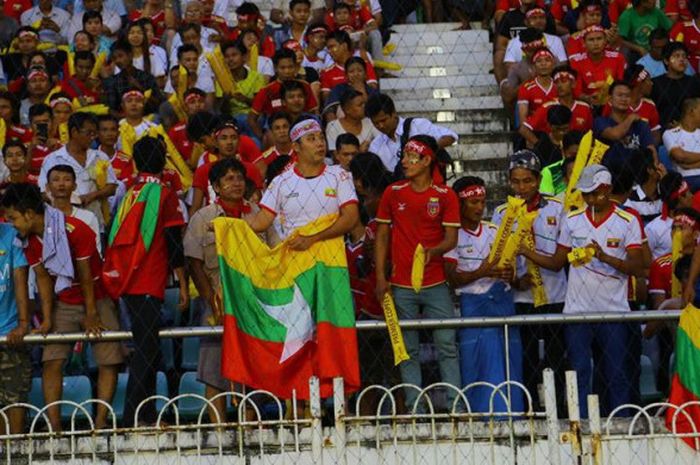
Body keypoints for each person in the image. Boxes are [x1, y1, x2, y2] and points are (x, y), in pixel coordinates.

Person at [519, 164, 644, 417]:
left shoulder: (627, 221)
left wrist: (604, 257)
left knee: (616, 373)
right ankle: (582, 425)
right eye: (585, 194)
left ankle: (620, 425)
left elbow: (639, 266)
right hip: (576, 312)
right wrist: (526, 250)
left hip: (614, 312)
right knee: (578, 374)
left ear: (607, 190)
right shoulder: (573, 219)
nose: (589, 199)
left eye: (594, 193)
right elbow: (557, 262)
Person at [3, 183, 122, 431]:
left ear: (29, 213)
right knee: (52, 360)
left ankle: (100, 423)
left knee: (108, 359)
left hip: (96, 297)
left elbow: (86, 275)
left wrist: (91, 314)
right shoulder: (29, 240)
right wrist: (47, 319)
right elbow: (44, 279)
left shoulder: (75, 230)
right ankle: (54, 427)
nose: (11, 224)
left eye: (13, 218)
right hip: (65, 300)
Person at [102, 136, 187, 427]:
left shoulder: (130, 193)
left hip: (128, 280)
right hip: (148, 280)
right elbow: (174, 244)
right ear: (164, 161)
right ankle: (133, 419)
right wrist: (185, 287)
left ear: (135, 162)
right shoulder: (165, 193)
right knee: (147, 351)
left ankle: (145, 417)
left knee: (146, 349)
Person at [374, 135, 462, 412]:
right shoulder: (393, 192)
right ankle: (415, 407)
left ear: (426, 161)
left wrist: (432, 252)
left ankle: (455, 405)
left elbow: (452, 239)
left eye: (411, 158)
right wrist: (380, 277)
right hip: (400, 282)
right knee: (406, 348)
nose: (404, 162)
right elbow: (382, 237)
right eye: (404, 157)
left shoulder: (446, 195)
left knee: (446, 343)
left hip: (435, 280)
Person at [184, 158, 261, 424]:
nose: (236, 183)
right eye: (229, 179)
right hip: (215, 301)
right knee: (214, 372)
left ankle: (250, 430)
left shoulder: (259, 215)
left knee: (252, 369)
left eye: (239, 178)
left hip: (253, 302)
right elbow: (194, 262)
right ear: (216, 186)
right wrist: (210, 299)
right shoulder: (202, 218)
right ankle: (219, 433)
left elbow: (274, 251)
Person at [493, 150, 567, 409]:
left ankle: (561, 408)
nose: (522, 187)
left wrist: (527, 252)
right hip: (521, 299)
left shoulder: (557, 209)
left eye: (528, 180)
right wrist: (514, 280)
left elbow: (560, 261)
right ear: (509, 181)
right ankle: (529, 409)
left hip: (556, 295)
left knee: (558, 357)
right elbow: (498, 260)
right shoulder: (502, 213)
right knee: (526, 359)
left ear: (538, 179)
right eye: (516, 181)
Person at [445, 175, 524, 413]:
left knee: (510, 360)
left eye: (482, 202)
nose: (480, 208)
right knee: (476, 363)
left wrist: (509, 275)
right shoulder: (452, 236)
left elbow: (514, 274)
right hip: (473, 304)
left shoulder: (494, 232)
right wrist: (483, 271)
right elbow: (453, 278)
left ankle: (514, 413)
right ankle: (481, 415)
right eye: (473, 202)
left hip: (502, 301)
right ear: (459, 204)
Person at [246, 115, 360, 246]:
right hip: (296, 260)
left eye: (321, 137)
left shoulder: (340, 175)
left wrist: (312, 239)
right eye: (311, 139)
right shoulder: (281, 182)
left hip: (332, 261)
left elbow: (351, 218)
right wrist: (227, 225)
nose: (320, 143)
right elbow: (261, 222)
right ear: (296, 147)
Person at [39, 112, 117, 231]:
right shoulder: (53, 159)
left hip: (95, 222)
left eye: (94, 133)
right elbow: (43, 192)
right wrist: (69, 199)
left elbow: (112, 186)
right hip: (63, 224)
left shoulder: (100, 157)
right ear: (74, 132)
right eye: (89, 133)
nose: (92, 137)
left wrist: (92, 196)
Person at [366, 93, 457, 175]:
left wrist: (425, 150)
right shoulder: (375, 145)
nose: (380, 126)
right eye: (376, 123)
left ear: (393, 113)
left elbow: (451, 136)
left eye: (383, 120)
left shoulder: (417, 125)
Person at [0, 215, 30, 435]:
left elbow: (20, 278)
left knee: (15, 397)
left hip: (10, 330)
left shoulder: (12, 235)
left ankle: (16, 451)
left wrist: (22, 322)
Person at [593, 81, 656, 165]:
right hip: (607, 171)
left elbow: (651, 150)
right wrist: (630, 118)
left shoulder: (641, 125)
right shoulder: (600, 121)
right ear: (610, 99)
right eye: (620, 95)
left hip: (636, 172)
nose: (624, 99)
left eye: (627, 96)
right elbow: (615, 135)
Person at [45, 164, 101, 252]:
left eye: (67, 179)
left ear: (74, 186)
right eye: (56, 180)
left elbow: (96, 251)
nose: (61, 184)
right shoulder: (42, 217)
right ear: (47, 187)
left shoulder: (88, 217)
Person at [569, 25, 627, 107]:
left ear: (605, 41)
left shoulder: (618, 58)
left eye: (599, 39)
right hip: (586, 104)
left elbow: (622, 84)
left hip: (613, 103)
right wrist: (588, 98)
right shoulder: (576, 62)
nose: (596, 43)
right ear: (584, 43)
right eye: (591, 40)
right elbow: (577, 91)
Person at [651, 42, 700, 129]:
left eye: (684, 56)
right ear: (666, 61)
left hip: (690, 132)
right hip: (661, 131)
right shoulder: (655, 83)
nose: (681, 59)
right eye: (676, 56)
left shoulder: (695, 82)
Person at [646, 172, 693, 260]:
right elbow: (646, 262)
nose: (692, 196)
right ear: (680, 198)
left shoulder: (695, 220)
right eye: (688, 193)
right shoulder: (653, 229)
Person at [662, 98, 700, 189]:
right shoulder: (670, 133)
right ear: (692, 111)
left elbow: (684, 159)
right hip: (685, 180)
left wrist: (690, 165)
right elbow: (680, 156)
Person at [325, 89, 379, 154]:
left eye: (364, 103)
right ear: (347, 110)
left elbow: (381, 145)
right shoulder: (333, 126)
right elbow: (335, 158)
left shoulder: (370, 122)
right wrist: (358, 152)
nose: (364, 107)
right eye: (360, 105)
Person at [540, 131, 584, 196]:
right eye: (573, 155)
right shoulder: (549, 172)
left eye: (582, 155)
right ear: (563, 151)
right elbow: (547, 202)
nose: (577, 159)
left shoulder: (592, 168)